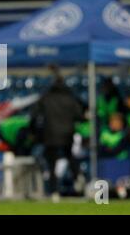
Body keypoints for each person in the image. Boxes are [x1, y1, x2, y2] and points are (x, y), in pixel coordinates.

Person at [30, 65, 84, 202]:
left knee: (52, 164)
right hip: (67, 134)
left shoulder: (46, 97)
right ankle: (78, 177)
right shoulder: (70, 98)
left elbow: (34, 115)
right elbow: (80, 115)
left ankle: (54, 192)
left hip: (50, 135)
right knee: (70, 156)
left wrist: (34, 131)